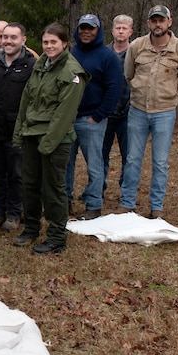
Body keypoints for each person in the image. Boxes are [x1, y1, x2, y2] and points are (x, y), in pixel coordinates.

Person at [12, 23, 88, 255]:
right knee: (30, 184)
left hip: (56, 139)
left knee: (53, 188)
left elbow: (64, 115)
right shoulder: (41, 65)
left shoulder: (72, 72)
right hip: (32, 135)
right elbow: (27, 100)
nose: (49, 46)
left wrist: (47, 144)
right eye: (46, 42)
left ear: (64, 43)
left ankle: (57, 237)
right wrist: (19, 133)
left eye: (54, 42)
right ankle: (32, 228)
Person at [119, 5, 178, 219]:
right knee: (133, 158)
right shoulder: (137, 46)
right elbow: (129, 75)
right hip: (138, 110)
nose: (158, 24)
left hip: (164, 112)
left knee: (160, 161)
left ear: (169, 22)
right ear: (149, 23)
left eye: (162, 20)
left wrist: (171, 96)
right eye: (154, 20)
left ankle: (156, 206)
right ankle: (127, 203)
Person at [65, 14, 123, 220]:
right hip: (68, 119)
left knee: (95, 164)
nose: (86, 32)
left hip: (91, 119)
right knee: (65, 162)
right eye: (83, 28)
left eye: (90, 28)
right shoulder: (70, 52)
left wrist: (98, 116)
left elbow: (114, 89)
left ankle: (94, 204)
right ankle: (65, 201)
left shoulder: (108, 56)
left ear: (98, 31)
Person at [0, 22, 35, 232]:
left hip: (17, 129)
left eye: (13, 37)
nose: (8, 41)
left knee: (16, 173)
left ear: (23, 40)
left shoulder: (31, 65)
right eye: (5, 37)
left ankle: (14, 213)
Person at [103, 14, 133, 193]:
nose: (121, 31)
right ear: (113, 31)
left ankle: (126, 188)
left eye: (124, 28)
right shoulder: (105, 53)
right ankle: (99, 186)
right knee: (101, 153)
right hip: (106, 112)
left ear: (130, 31)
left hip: (129, 112)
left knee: (128, 155)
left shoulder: (135, 53)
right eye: (118, 28)